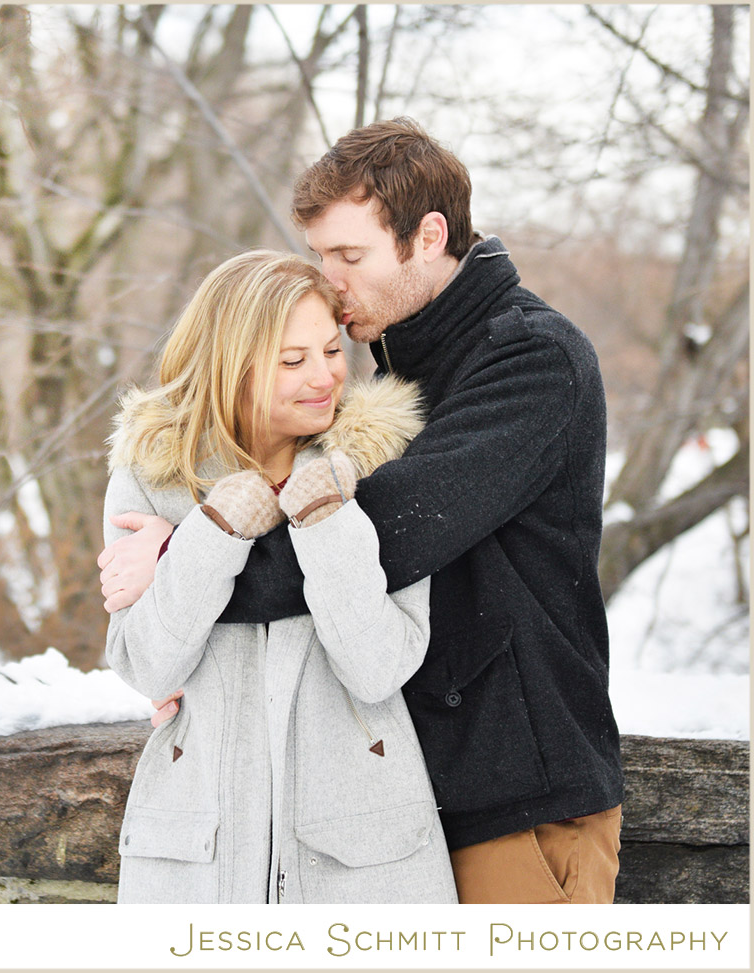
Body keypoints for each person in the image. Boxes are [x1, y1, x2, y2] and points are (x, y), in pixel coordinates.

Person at [99, 118, 624, 904]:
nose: (331, 280)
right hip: (405, 798)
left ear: (428, 237)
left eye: (349, 256)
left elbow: (391, 531)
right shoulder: (404, 361)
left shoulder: (532, 358)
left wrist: (181, 558)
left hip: (515, 793)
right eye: (319, 256)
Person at [104, 248, 455, 903]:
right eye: (293, 361)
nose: (324, 377)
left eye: (330, 351)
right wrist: (212, 531)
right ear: (230, 367)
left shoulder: (380, 468)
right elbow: (150, 666)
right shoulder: (150, 479)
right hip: (197, 853)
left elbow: (378, 666)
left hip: (361, 851)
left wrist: (327, 517)